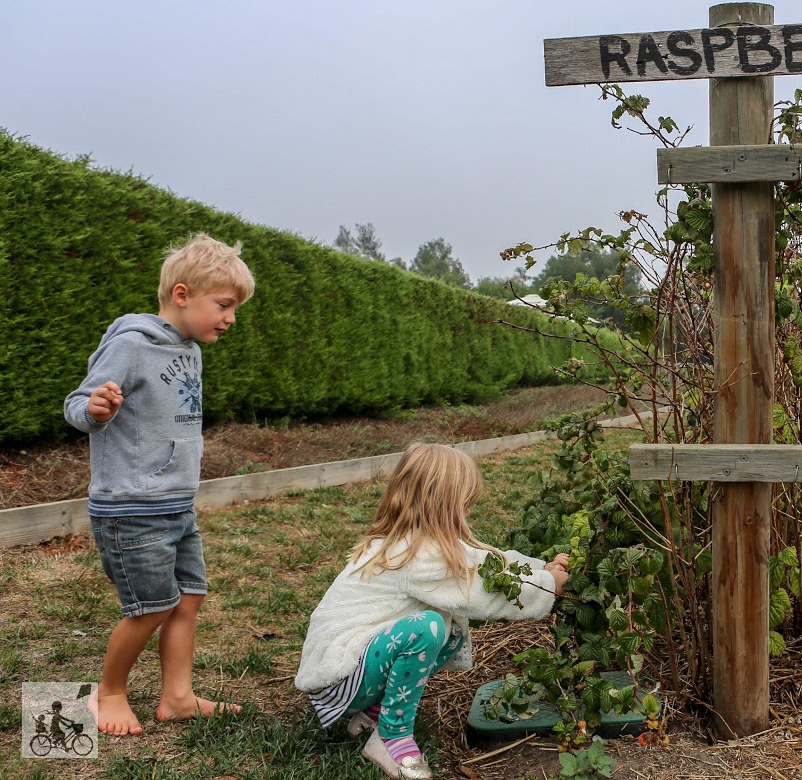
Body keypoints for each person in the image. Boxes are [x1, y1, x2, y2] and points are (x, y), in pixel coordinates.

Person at [64, 233, 255, 736]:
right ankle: (108, 693)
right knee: (149, 608)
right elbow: (77, 405)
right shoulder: (130, 343)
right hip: (131, 506)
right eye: (225, 305)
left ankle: (178, 698)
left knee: (187, 597)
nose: (231, 317)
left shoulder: (190, 347)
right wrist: (95, 408)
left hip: (176, 504)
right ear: (183, 294)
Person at [296, 443, 570, 780]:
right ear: (441, 504)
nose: (469, 512)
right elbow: (483, 590)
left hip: (353, 666)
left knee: (450, 630)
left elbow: (484, 562)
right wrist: (547, 587)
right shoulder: (415, 556)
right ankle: (390, 734)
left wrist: (539, 568)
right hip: (338, 678)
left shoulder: (412, 542)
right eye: (464, 504)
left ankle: (374, 711)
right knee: (427, 627)